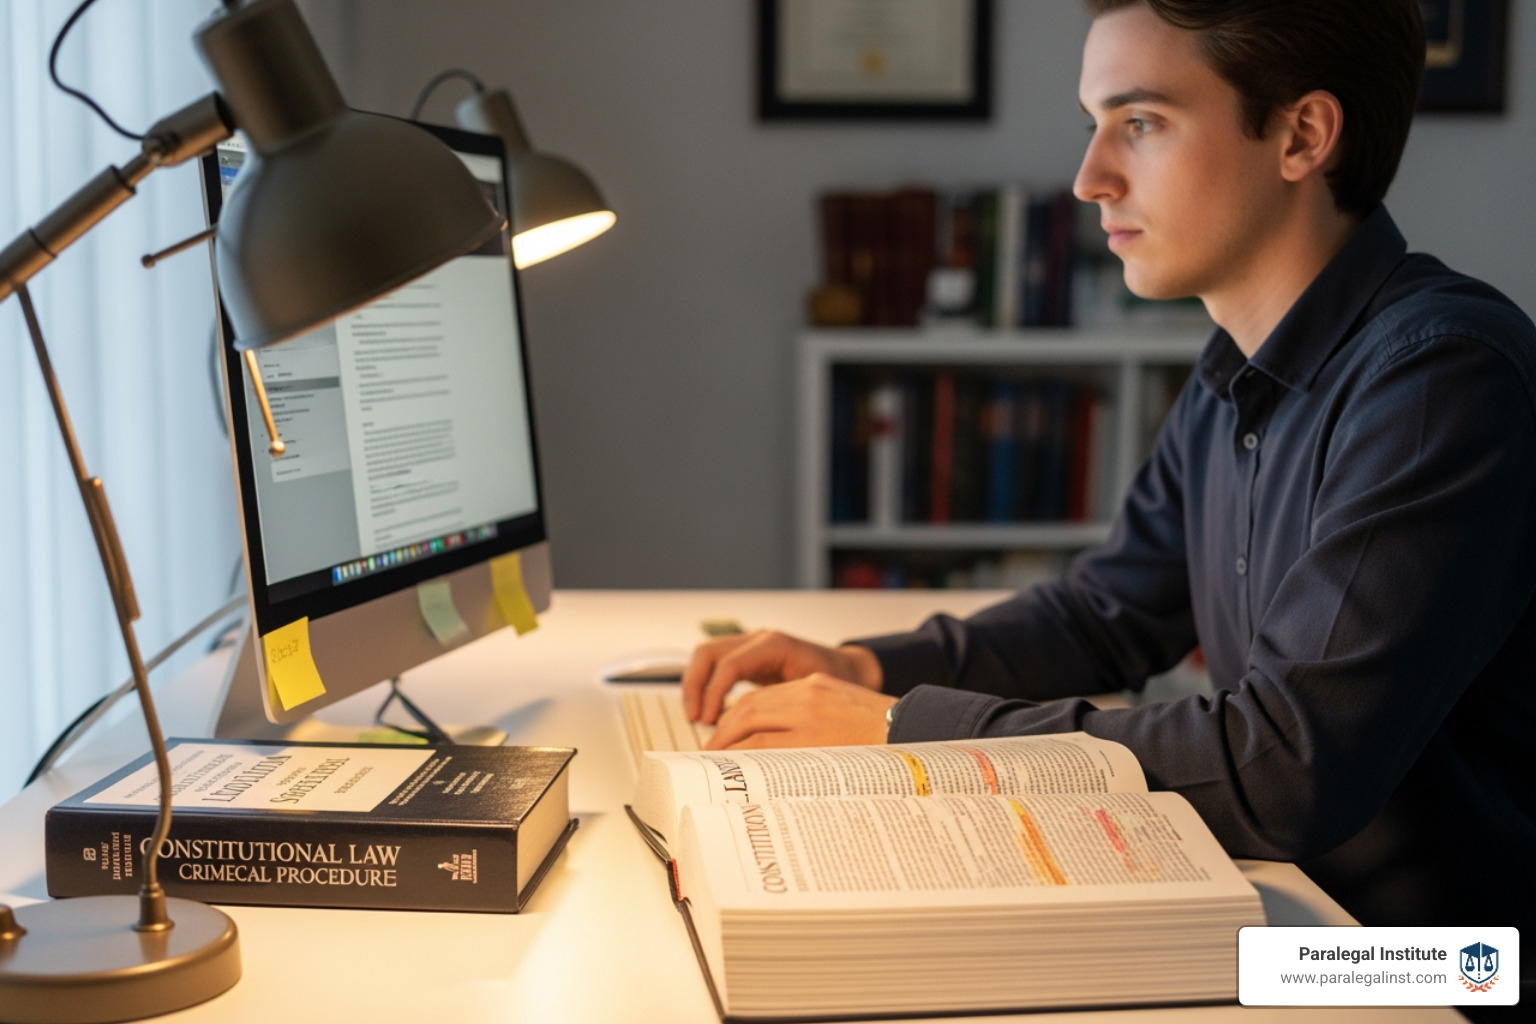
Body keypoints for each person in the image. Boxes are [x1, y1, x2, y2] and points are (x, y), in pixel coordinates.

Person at [683, 0, 1536, 964]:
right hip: (1281, 910)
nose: (1090, 178)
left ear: (1302, 135)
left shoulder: (1441, 379)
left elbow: (1283, 768)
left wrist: (896, 731)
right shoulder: (1238, 368)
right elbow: (1103, 616)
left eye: (1141, 123)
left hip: (1436, 966)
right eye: (1097, 125)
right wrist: (863, 669)